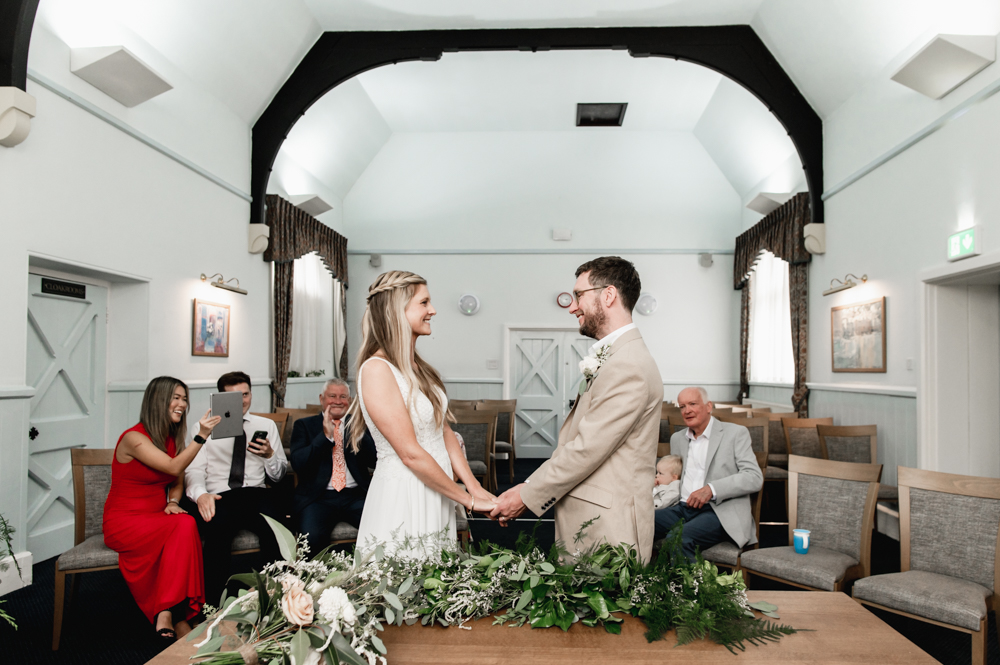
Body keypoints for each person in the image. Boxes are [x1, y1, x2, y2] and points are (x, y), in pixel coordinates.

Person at [491, 257, 663, 562]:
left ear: (608, 295)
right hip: (592, 516)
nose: (572, 307)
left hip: (609, 527)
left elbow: (587, 448)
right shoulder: (618, 356)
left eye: (579, 295)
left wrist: (526, 494)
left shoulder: (628, 364)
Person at [348, 270, 497, 556]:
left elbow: (443, 431)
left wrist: (474, 486)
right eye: (424, 303)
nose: (433, 310)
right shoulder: (377, 370)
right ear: (397, 311)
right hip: (406, 491)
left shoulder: (419, 367)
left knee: (435, 578)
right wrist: (469, 501)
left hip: (436, 488)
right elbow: (410, 454)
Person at [103, 377, 220, 641]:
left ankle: (173, 614)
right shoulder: (133, 438)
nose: (182, 404)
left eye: (184, 398)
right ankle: (173, 613)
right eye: (175, 398)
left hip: (157, 518)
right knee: (185, 525)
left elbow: (176, 482)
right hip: (124, 522)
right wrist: (201, 436)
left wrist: (173, 502)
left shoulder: (171, 439)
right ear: (158, 400)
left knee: (184, 522)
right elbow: (173, 468)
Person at [183, 371, 289, 603]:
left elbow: (279, 475)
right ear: (220, 398)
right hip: (220, 495)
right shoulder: (202, 429)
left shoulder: (266, 425)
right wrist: (201, 495)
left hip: (256, 493)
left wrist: (270, 455)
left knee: (278, 527)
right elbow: (194, 470)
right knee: (216, 532)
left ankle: (274, 595)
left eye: (245, 394)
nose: (241, 401)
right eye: (233, 396)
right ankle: (214, 602)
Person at [653, 387, 763, 561]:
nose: (687, 410)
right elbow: (675, 476)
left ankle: (690, 587)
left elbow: (754, 477)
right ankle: (642, 581)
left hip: (718, 511)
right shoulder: (677, 438)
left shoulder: (735, 433)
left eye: (692, 404)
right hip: (682, 507)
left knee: (678, 538)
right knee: (639, 520)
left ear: (708, 406)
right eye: (682, 406)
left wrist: (711, 489)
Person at [291, 378, 377, 555]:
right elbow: (299, 464)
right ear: (322, 399)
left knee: (381, 530)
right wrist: (324, 437)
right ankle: (315, 581)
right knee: (310, 539)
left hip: (355, 496)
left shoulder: (359, 424)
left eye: (343, 396)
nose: (338, 401)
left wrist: (359, 432)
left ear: (350, 401)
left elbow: (375, 461)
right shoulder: (304, 425)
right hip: (318, 498)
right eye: (332, 396)